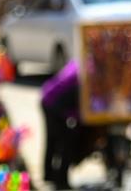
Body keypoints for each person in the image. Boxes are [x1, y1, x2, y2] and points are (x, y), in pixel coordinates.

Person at [40, 59, 80, 189]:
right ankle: (60, 179)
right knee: (64, 141)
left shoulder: (81, 64)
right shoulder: (85, 73)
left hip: (49, 98)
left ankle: (49, 175)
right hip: (52, 104)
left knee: (53, 139)